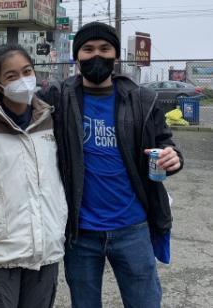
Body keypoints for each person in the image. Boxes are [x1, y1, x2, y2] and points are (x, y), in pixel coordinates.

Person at [38, 22, 184, 308]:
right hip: (80, 232)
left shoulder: (142, 100)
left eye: (105, 49)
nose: (96, 56)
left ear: (116, 56)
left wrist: (172, 157)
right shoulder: (58, 98)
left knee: (145, 303)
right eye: (88, 49)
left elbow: (166, 143)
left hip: (133, 227)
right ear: (76, 56)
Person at [0, 44, 67, 308]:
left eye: (27, 71)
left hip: (46, 249)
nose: (23, 80)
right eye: (11, 76)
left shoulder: (51, 118)